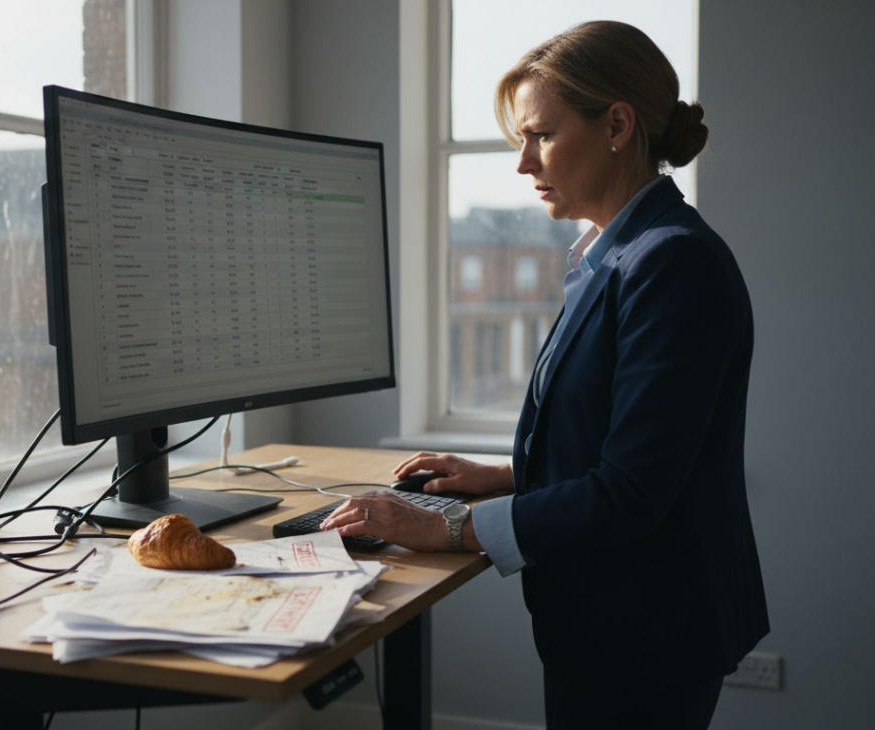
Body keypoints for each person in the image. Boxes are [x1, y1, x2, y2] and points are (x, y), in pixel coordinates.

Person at [321, 20, 769, 729]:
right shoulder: (611, 255)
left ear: (617, 124)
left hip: (646, 630)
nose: (523, 163)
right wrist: (504, 475)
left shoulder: (669, 262)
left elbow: (629, 494)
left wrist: (449, 529)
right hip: (613, 621)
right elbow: (618, 443)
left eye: (541, 135)